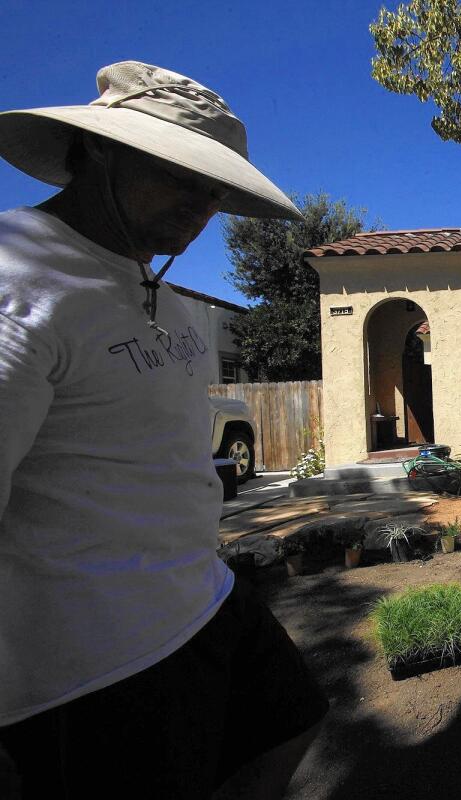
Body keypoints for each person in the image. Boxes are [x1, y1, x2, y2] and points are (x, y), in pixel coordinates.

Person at [0, 62, 327, 797]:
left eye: (217, 186)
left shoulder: (161, 293)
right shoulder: (17, 284)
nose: (205, 202)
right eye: (183, 172)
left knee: (292, 720)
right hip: (93, 659)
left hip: (201, 595)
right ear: (101, 148)